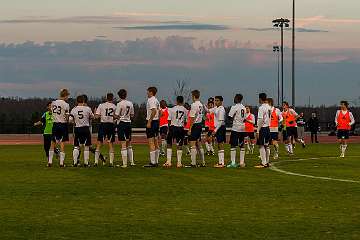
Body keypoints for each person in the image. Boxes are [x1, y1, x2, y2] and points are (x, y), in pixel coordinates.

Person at [69, 95, 94, 167]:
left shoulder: (74, 109)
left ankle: (75, 163)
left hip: (77, 128)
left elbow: (70, 120)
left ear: (77, 101)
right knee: (86, 146)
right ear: (83, 101)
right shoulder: (88, 108)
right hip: (86, 128)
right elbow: (92, 117)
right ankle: (86, 163)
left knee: (76, 146)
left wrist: (75, 121)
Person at [48, 89, 70, 167]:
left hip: (55, 124)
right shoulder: (66, 104)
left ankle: (49, 162)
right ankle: (61, 163)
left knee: (52, 143)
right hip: (63, 125)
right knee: (62, 143)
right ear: (65, 95)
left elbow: (51, 111)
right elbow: (67, 117)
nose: (68, 97)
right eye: (68, 96)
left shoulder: (53, 102)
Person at [164, 96, 187, 168]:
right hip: (181, 128)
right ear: (182, 101)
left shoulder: (172, 109)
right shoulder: (185, 110)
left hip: (173, 127)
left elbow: (169, 120)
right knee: (180, 145)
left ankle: (168, 161)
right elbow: (186, 121)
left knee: (169, 143)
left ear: (176, 101)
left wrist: (168, 129)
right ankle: (179, 163)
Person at [95, 93, 117, 167]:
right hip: (110, 125)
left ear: (106, 98)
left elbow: (97, 116)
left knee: (99, 144)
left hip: (103, 125)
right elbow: (115, 116)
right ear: (112, 98)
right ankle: (111, 162)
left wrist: (95, 113)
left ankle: (96, 162)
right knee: (110, 144)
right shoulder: (114, 106)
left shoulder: (101, 105)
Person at [115, 89, 135, 168]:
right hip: (128, 123)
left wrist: (116, 116)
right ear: (126, 95)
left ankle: (124, 164)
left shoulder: (119, 104)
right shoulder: (130, 103)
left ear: (119, 96)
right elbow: (132, 115)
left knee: (123, 144)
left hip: (121, 124)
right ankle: (132, 162)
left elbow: (116, 115)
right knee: (129, 144)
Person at [187, 90, 206, 167]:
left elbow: (192, 118)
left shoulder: (194, 105)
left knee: (192, 144)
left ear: (193, 96)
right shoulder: (201, 104)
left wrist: (190, 128)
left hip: (195, 125)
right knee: (199, 144)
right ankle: (203, 162)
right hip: (200, 125)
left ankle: (193, 163)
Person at [227, 94, 247, 168]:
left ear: (237, 99)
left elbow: (229, 117)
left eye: (235, 97)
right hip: (242, 128)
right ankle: (242, 163)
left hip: (236, 128)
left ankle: (233, 163)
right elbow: (244, 118)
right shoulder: (244, 107)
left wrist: (232, 120)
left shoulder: (234, 107)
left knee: (233, 145)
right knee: (242, 145)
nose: (234, 99)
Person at [144, 87, 160, 167]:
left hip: (152, 122)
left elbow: (154, 110)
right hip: (156, 122)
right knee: (156, 141)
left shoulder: (151, 100)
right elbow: (159, 112)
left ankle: (152, 162)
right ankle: (156, 161)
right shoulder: (156, 100)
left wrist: (149, 121)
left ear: (151, 92)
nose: (147, 93)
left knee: (151, 142)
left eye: (147, 92)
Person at [255, 93, 272, 168]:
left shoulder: (261, 107)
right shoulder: (269, 107)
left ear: (260, 99)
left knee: (261, 145)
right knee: (267, 145)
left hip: (263, 128)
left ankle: (263, 163)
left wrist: (258, 130)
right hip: (268, 127)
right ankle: (267, 162)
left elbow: (260, 119)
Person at [212, 96, 227, 168]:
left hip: (220, 128)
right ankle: (220, 162)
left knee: (220, 144)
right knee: (219, 144)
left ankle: (222, 163)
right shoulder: (216, 108)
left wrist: (215, 130)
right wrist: (203, 105)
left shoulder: (221, 109)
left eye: (217, 100)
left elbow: (221, 121)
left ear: (221, 102)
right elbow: (209, 110)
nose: (216, 102)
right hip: (218, 128)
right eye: (215, 100)